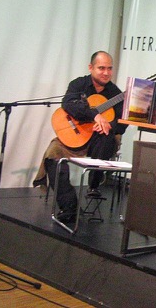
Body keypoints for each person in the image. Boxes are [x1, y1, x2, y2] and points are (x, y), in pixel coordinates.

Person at [33, 51, 127, 224]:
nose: (106, 73)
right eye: (101, 68)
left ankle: (94, 184)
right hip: (77, 135)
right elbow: (67, 105)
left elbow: (122, 124)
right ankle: (69, 207)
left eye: (109, 69)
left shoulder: (116, 94)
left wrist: (107, 124)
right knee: (52, 153)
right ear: (91, 68)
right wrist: (94, 116)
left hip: (100, 141)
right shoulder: (79, 84)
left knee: (106, 136)